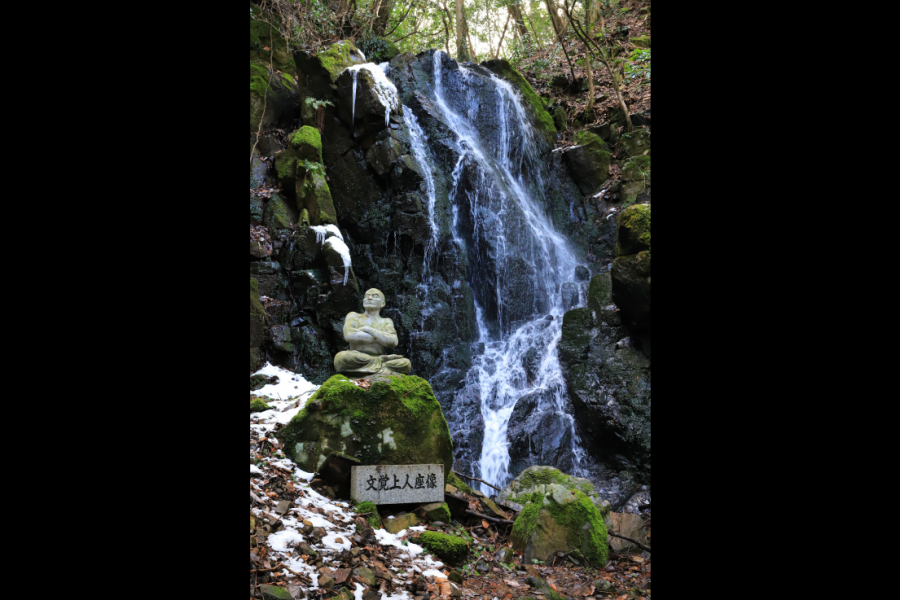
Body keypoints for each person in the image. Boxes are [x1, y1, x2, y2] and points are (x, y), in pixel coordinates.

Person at [334, 289, 412, 377]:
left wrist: (369, 330)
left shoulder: (386, 321)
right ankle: (381, 366)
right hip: (358, 357)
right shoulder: (354, 316)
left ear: (382, 304)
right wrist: (381, 338)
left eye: (375, 296)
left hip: (377, 356)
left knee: (406, 363)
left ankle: (376, 365)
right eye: (367, 296)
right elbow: (349, 335)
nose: (369, 298)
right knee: (341, 358)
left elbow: (393, 341)